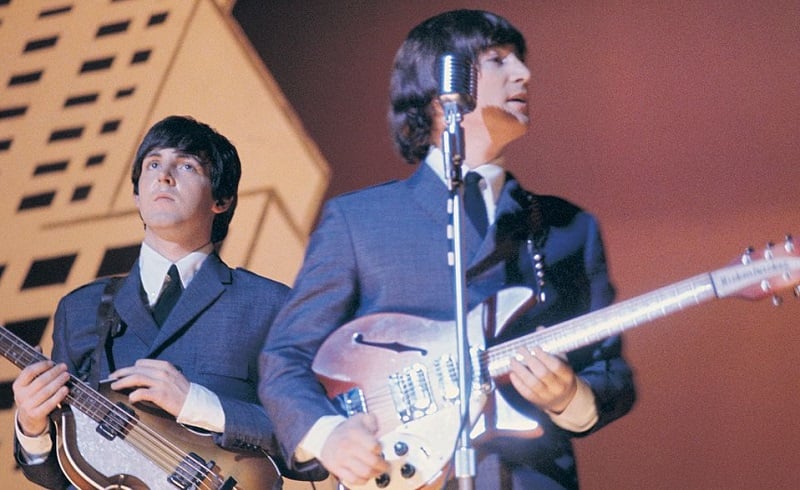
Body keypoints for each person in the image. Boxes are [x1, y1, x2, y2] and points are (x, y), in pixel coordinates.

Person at [259, 9, 636, 490]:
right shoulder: (358, 220)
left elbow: (611, 371)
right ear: (443, 85)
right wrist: (328, 436)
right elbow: (285, 357)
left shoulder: (569, 226)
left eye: (520, 59)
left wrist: (570, 397)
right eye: (498, 59)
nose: (524, 73)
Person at [12, 115, 319, 488]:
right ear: (137, 195)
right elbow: (62, 474)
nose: (164, 176)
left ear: (221, 199)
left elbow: (314, 448)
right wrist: (32, 426)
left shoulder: (268, 304)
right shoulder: (80, 308)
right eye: (153, 164)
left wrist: (197, 404)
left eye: (187, 166)